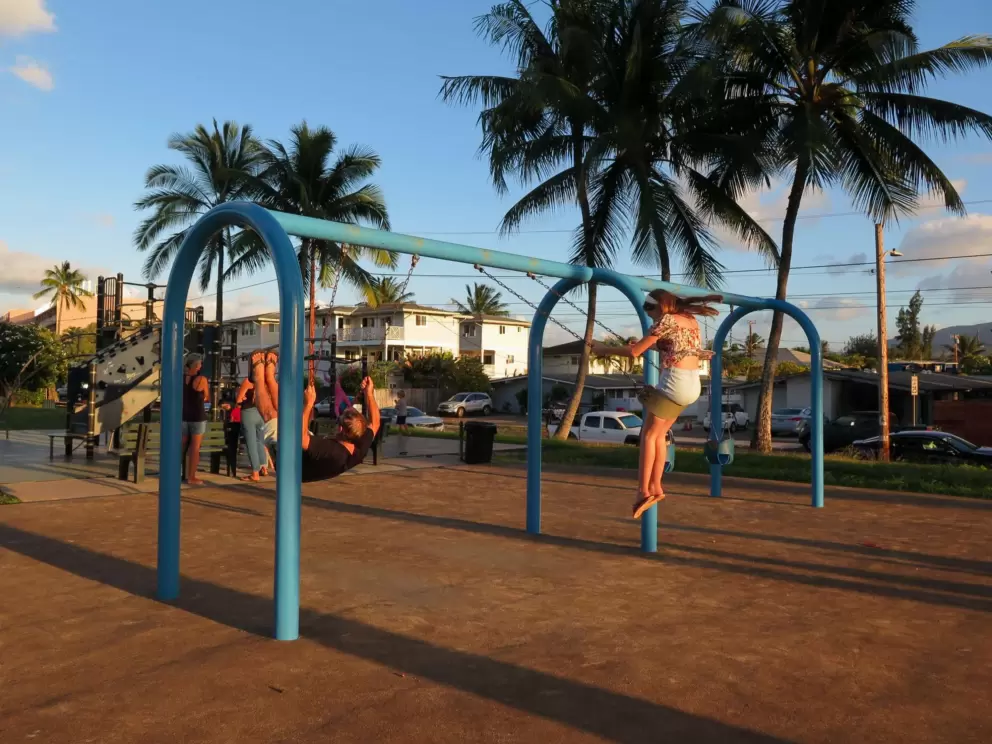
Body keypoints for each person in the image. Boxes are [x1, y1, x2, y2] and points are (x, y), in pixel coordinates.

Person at [592, 289, 720, 519]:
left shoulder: (666, 319)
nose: (649, 314)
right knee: (659, 436)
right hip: (692, 385)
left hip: (675, 383)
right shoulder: (689, 320)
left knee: (649, 436)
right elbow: (672, 347)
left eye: (649, 309)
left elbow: (634, 352)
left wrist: (604, 349)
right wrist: (647, 344)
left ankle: (642, 491)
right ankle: (657, 487)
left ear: (660, 306)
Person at [300, 376, 381, 482]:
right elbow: (375, 423)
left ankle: (269, 374)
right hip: (307, 453)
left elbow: (301, 440)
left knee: (274, 413)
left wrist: (309, 403)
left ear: (342, 429)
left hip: (290, 466)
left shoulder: (333, 451)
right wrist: (369, 393)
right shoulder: (360, 446)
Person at [236, 353, 269, 482]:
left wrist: (242, 398)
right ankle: (264, 468)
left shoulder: (248, 381)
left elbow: (239, 399)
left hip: (248, 413)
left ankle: (255, 473)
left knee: (251, 443)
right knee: (260, 441)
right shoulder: (265, 382)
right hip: (261, 413)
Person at [181, 353, 210, 485]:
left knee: (181, 446)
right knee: (195, 448)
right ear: (196, 365)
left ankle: (175, 473)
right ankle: (191, 476)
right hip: (197, 416)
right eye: (200, 364)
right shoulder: (201, 379)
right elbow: (206, 397)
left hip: (183, 416)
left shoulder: (180, 378)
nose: (201, 366)